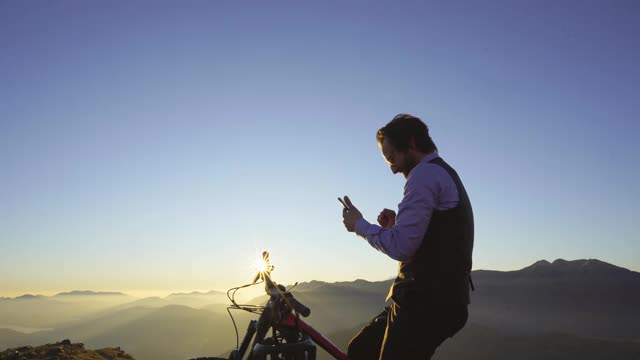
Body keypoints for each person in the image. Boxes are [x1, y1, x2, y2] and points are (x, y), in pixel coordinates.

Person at [341, 114, 474, 359]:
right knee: (361, 349)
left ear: (411, 143)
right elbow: (424, 243)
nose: (392, 169)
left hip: (427, 303)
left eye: (392, 157)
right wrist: (394, 227)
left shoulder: (424, 175)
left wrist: (359, 225)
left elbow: (403, 247)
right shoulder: (443, 172)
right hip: (439, 299)